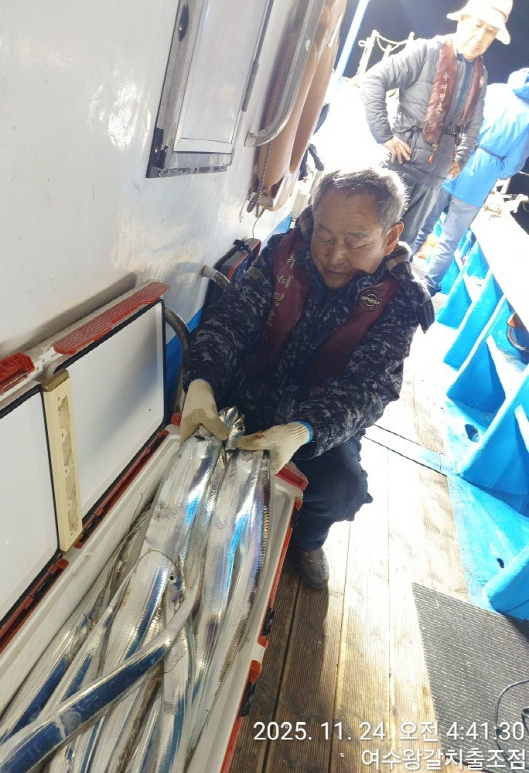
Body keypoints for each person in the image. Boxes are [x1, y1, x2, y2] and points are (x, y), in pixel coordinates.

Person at [179, 167, 434, 589]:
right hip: (244, 397)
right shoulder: (282, 253)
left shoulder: (401, 300)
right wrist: (202, 383)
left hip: (318, 427)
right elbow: (231, 323)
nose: (335, 255)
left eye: (355, 241)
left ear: (390, 238)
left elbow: (368, 389)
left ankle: (309, 541)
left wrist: (303, 431)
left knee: (342, 492)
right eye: (325, 235)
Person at [360, 0, 512, 247]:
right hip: (398, 167)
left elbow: (475, 123)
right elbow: (373, 80)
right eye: (478, 25)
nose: (481, 36)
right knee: (369, 236)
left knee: (400, 247)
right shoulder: (427, 51)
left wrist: (462, 157)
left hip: (433, 180)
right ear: (462, 20)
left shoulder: (480, 74)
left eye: (490, 32)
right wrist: (384, 135)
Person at [413, 67, 529, 296]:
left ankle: (397, 264)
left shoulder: (494, 91)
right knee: (450, 238)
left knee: (423, 221)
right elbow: (515, 160)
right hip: (481, 177)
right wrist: (496, 170)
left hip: (453, 159)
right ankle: (428, 287)